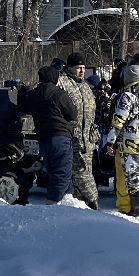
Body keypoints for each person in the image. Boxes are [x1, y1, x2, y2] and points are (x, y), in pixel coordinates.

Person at [105, 64, 139, 216]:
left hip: (131, 143)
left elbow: (118, 121)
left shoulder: (127, 96)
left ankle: (136, 211)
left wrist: (110, 142)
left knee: (133, 177)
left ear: (127, 78)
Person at [24, 65, 77, 204]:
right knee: (62, 172)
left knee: (54, 171)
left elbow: (26, 107)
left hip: (43, 138)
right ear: (55, 78)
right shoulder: (59, 93)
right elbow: (72, 113)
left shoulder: (33, 95)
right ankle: (53, 203)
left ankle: (68, 200)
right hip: (60, 136)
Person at [56, 52, 100, 209]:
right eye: (78, 68)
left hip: (88, 141)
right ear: (69, 68)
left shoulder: (85, 86)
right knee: (82, 174)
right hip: (71, 139)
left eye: (83, 67)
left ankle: (82, 209)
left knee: (83, 176)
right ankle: (94, 202)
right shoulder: (62, 83)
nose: (82, 71)